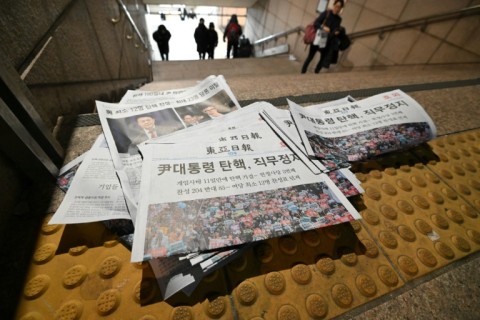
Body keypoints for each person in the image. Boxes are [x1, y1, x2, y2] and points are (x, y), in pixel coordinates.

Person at [301, 0, 344, 74]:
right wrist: (323, 27)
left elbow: (335, 29)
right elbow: (316, 23)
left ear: (341, 9)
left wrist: (336, 32)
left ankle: (316, 73)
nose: (337, 8)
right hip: (318, 38)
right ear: (334, 5)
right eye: (336, 6)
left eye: (339, 7)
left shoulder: (339, 19)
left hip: (327, 42)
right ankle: (302, 72)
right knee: (310, 57)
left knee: (322, 59)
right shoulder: (326, 13)